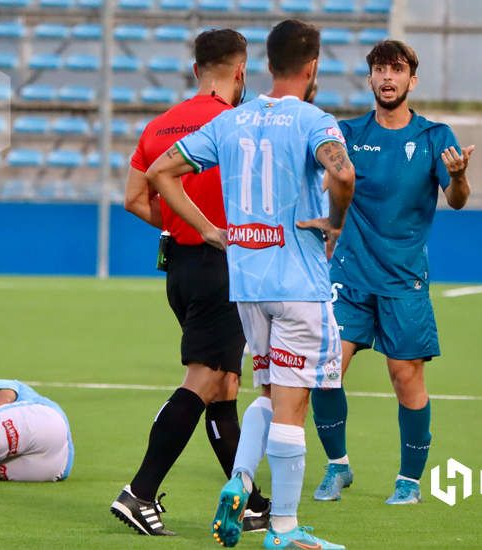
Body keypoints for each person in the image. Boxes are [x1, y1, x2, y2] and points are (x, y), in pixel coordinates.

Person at [147, 19, 355, 550]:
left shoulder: (231, 122)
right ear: (312, 67)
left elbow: (161, 172)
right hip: (299, 286)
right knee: (294, 407)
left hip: (248, 287)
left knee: (267, 394)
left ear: (265, 65)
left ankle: (240, 481)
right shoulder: (314, 120)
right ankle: (283, 529)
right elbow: (344, 175)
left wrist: (207, 230)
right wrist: (332, 222)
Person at [111, 28, 269, 537]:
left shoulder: (159, 125)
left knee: (223, 386)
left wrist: (182, 222)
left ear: (195, 67)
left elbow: (136, 199)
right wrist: (211, 228)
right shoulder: (237, 124)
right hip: (222, 265)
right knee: (203, 379)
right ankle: (140, 491)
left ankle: (249, 502)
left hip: (179, 265)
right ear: (240, 72)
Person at [309, 39, 475, 505]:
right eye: (380, 69)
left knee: (406, 376)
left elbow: (457, 201)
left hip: (404, 280)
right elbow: (324, 180)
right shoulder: (346, 134)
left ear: (411, 80)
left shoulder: (434, 137)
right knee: (326, 371)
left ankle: (409, 480)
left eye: (396, 70)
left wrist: (459, 177)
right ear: (370, 79)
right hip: (350, 275)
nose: (387, 77)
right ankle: (337, 466)